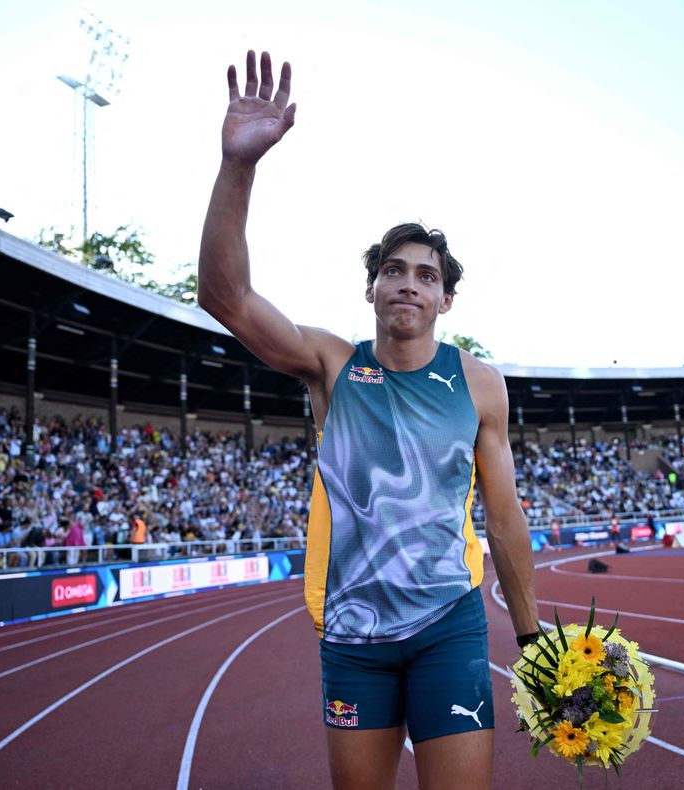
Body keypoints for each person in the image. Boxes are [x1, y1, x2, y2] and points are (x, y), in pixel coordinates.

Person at [198, 49, 538, 789]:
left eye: (426, 275)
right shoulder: (330, 365)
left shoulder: (480, 386)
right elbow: (225, 297)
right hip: (354, 637)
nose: (407, 284)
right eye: (393, 270)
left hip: (449, 623)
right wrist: (239, 167)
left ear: (446, 299)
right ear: (371, 288)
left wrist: (533, 637)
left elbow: (506, 522)